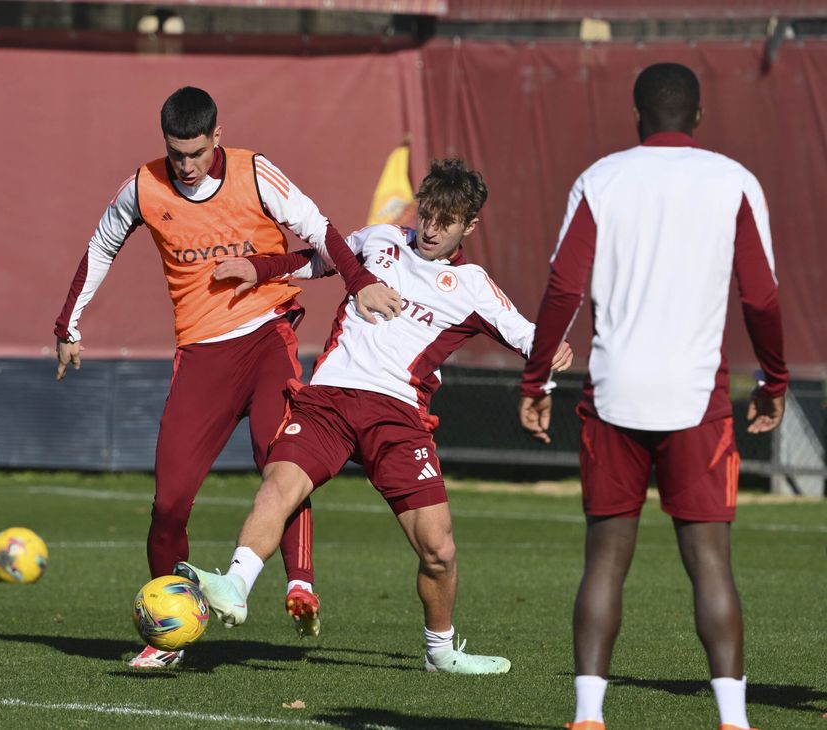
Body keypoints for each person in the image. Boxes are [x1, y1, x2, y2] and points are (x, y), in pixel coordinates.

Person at [174, 158, 573, 674]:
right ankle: (235, 584)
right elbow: (315, 261)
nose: (431, 229)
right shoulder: (380, 238)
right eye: (427, 214)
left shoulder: (473, 286)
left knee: (439, 551)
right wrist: (259, 268)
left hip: (398, 418)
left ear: (468, 226)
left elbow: (530, 337)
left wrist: (553, 349)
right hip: (330, 401)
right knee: (278, 482)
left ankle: (441, 651)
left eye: (445, 221)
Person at [53, 86, 402, 668]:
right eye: (175, 153)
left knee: (283, 460)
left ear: (217, 137)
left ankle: (300, 585)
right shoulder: (143, 186)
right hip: (202, 356)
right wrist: (69, 324)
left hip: (268, 336)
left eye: (195, 152)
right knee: (168, 505)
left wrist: (360, 281)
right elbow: (100, 247)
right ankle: (170, 631)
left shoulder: (256, 172)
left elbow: (321, 231)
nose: (185, 166)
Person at [517, 63, 787, 730]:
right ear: (697, 117)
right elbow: (762, 297)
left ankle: (587, 717)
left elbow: (561, 290)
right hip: (699, 398)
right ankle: (733, 721)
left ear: (637, 114)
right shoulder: (733, 181)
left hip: (612, 394)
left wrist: (534, 381)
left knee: (606, 558)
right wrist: (774, 381)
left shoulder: (600, 179)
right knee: (710, 563)